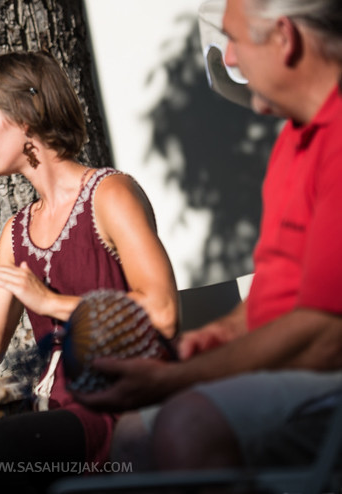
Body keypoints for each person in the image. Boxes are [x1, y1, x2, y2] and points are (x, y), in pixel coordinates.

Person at [75, 0, 342, 472]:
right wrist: (229, 330)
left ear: (285, 37)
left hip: (325, 372)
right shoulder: (294, 138)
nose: (230, 59)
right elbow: (282, 284)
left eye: (234, 40)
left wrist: (178, 379)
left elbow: (326, 333)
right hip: (299, 369)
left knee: (187, 424)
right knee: (132, 437)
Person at [0, 51, 178, 492]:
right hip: (63, 411)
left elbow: (161, 312)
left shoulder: (109, 194)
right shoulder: (16, 232)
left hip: (126, 404)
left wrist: (50, 303)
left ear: (23, 119)